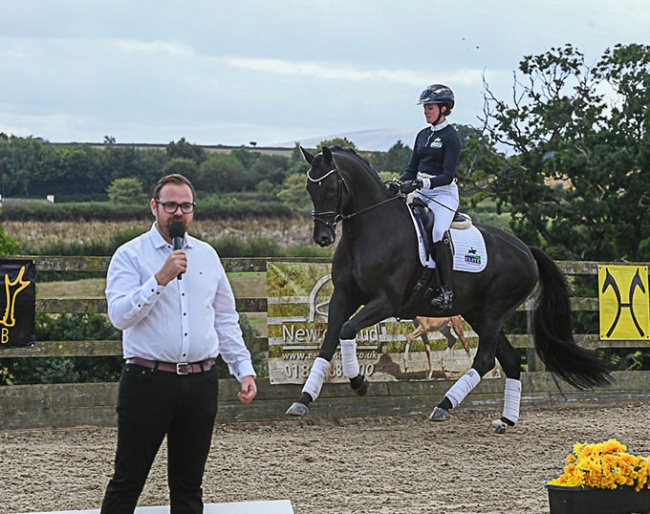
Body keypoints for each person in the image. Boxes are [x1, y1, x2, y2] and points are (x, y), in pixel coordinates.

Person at [100, 173, 257, 514]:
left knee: (188, 487)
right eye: (170, 205)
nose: (178, 213)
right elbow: (119, 315)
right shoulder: (130, 255)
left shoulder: (208, 255)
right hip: (147, 382)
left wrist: (243, 369)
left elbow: (225, 318)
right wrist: (159, 279)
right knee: (128, 481)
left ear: (193, 211)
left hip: (201, 382)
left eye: (185, 206)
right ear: (154, 207)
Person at [398, 84, 461, 311]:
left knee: (437, 231)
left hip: (443, 194)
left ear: (444, 109)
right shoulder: (423, 135)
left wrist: (422, 182)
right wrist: (400, 182)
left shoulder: (451, 137)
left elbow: (447, 175)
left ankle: (446, 291)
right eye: (425, 108)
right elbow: (411, 167)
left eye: (430, 108)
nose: (426, 112)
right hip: (421, 192)